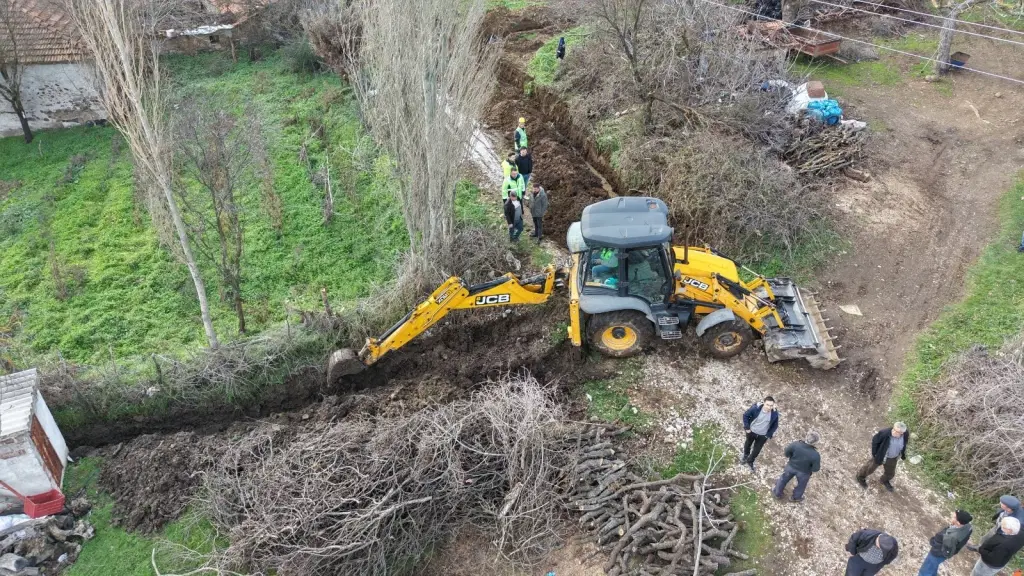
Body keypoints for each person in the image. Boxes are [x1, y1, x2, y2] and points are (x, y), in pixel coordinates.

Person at [917, 510, 974, 576]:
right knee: (933, 566)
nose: (951, 517)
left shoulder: (951, 537)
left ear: (958, 523)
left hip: (937, 553)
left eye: (954, 517)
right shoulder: (968, 526)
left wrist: (934, 543)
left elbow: (947, 550)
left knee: (926, 570)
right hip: (944, 551)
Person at [856, 422, 909, 492]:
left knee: (890, 472)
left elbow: (904, 443)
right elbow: (875, 441)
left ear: (902, 433)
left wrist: (902, 454)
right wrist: (875, 453)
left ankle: (884, 480)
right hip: (881, 455)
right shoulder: (885, 433)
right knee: (870, 468)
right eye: (893, 429)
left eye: (896, 431)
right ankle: (860, 477)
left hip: (892, 458)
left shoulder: (905, 434)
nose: (893, 431)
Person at [772, 430, 820, 502]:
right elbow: (815, 469)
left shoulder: (795, 444)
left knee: (783, 479)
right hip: (804, 472)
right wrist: (809, 468)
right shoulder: (815, 455)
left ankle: (777, 493)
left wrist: (792, 458)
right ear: (815, 443)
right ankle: (795, 497)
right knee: (801, 485)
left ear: (806, 437)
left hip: (791, 466)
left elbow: (786, 453)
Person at [741, 395, 779, 471]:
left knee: (757, 450)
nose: (769, 407)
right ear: (763, 403)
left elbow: (775, 425)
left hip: (763, 435)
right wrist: (747, 428)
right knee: (748, 444)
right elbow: (745, 415)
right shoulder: (755, 409)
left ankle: (750, 461)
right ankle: (745, 455)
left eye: (771, 405)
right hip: (752, 432)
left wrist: (768, 435)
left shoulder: (774, 413)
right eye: (767, 405)